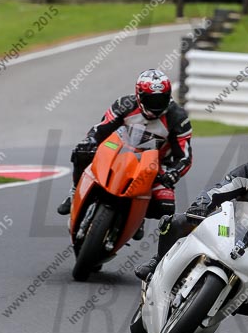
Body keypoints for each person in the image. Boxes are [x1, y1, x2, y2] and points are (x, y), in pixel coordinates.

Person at [135, 134, 248, 321]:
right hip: (223, 228)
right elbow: (218, 191)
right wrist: (202, 204)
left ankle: (222, 303)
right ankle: (157, 262)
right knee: (174, 222)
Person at [57, 69, 193, 240]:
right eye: (151, 99)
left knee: (165, 206)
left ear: (168, 95)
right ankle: (74, 192)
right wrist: (90, 140)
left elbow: (185, 157)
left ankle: (138, 217)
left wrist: (174, 173)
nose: (156, 104)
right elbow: (101, 129)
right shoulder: (124, 105)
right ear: (139, 96)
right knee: (82, 151)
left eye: (161, 98)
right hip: (118, 152)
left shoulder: (178, 118)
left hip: (154, 166)